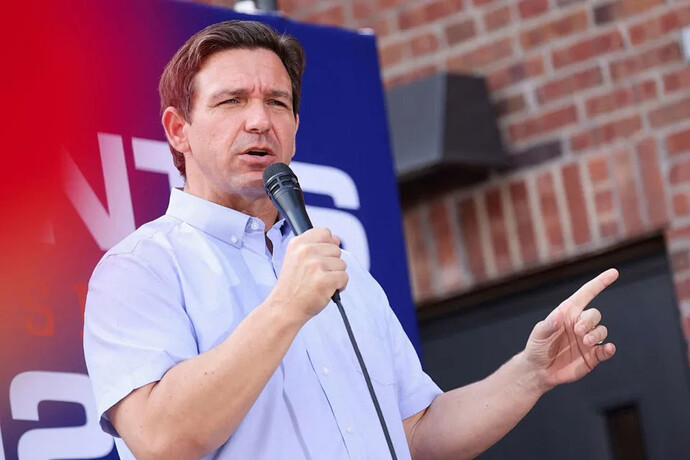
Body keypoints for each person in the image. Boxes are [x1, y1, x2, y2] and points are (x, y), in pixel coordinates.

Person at [83, 20, 618, 460]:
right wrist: (287, 307)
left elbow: (415, 433)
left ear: (294, 124)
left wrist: (530, 373)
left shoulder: (340, 273)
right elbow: (160, 439)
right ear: (178, 130)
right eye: (231, 102)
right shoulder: (140, 270)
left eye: (277, 102)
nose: (258, 121)